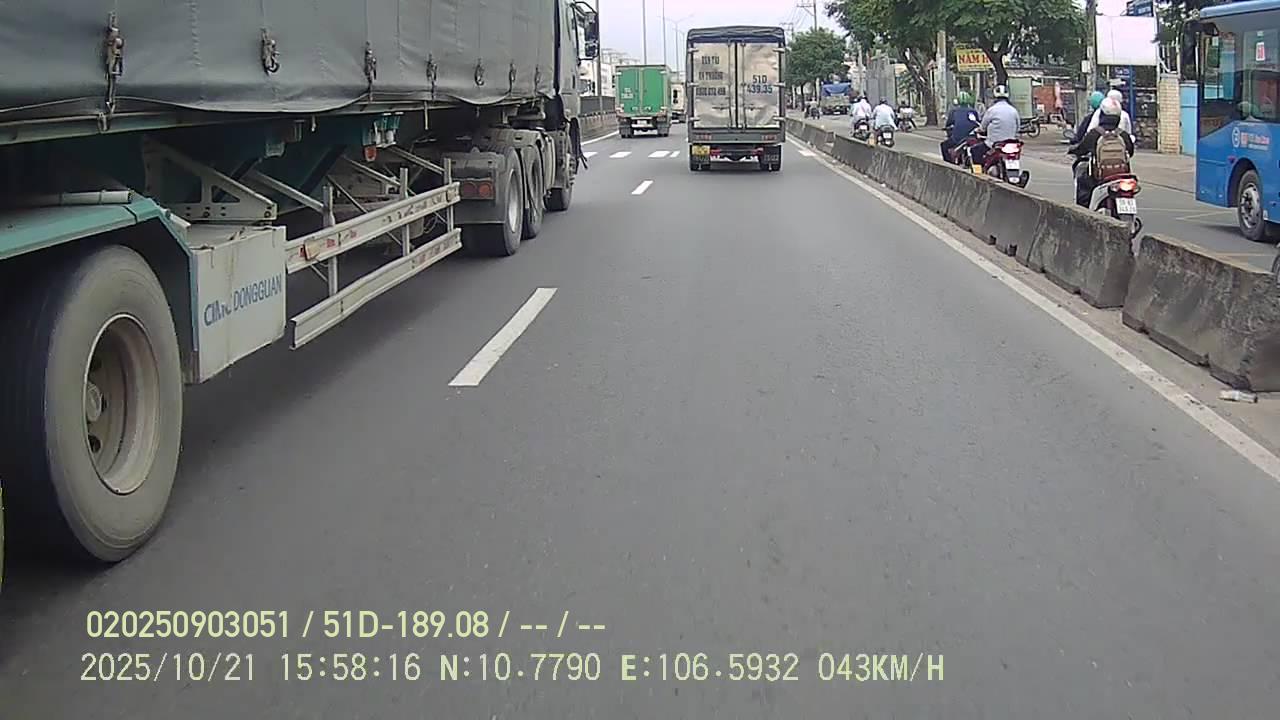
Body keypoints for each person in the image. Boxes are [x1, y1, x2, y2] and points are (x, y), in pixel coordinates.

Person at [1069, 97, 1135, 207]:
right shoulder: (1123, 135)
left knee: (1083, 182)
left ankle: (1083, 212)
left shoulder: (1095, 133)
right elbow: (1131, 152)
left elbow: (1082, 149)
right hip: (1121, 176)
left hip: (1100, 176)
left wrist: (1074, 149)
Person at [973, 84, 1020, 166]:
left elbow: (983, 127)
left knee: (975, 151)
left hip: (993, 144)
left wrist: (978, 130)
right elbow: (1018, 128)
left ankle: (979, 172)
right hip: (1011, 144)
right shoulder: (1013, 111)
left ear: (994, 98)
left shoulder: (992, 110)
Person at [940, 91, 981, 162]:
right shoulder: (973, 111)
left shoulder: (954, 111)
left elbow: (948, 124)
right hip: (972, 137)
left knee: (944, 146)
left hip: (957, 138)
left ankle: (949, 164)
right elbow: (978, 123)